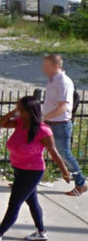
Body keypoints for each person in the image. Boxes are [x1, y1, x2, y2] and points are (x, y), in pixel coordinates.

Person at [0, 96, 71, 241]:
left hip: (33, 172)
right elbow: (0, 123)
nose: (19, 111)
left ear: (29, 111)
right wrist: (14, 111)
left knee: (14, 202)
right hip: (19, 169)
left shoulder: (43, 130)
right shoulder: (20, 122)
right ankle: (41, 232)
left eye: (21, 108)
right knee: (33, 202)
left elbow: (54, 152)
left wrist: (65, 172)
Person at [42, 54, 86, 196]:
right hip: (50, 122)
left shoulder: (63, 82)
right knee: (36, 149)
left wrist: (42, 117)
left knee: (65, 154)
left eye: (46, 66)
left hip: (60, 124)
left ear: (56, 66)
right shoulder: (52, 81)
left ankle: (80, 183)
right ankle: (27, 179)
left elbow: (63, 107)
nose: (44, 69)